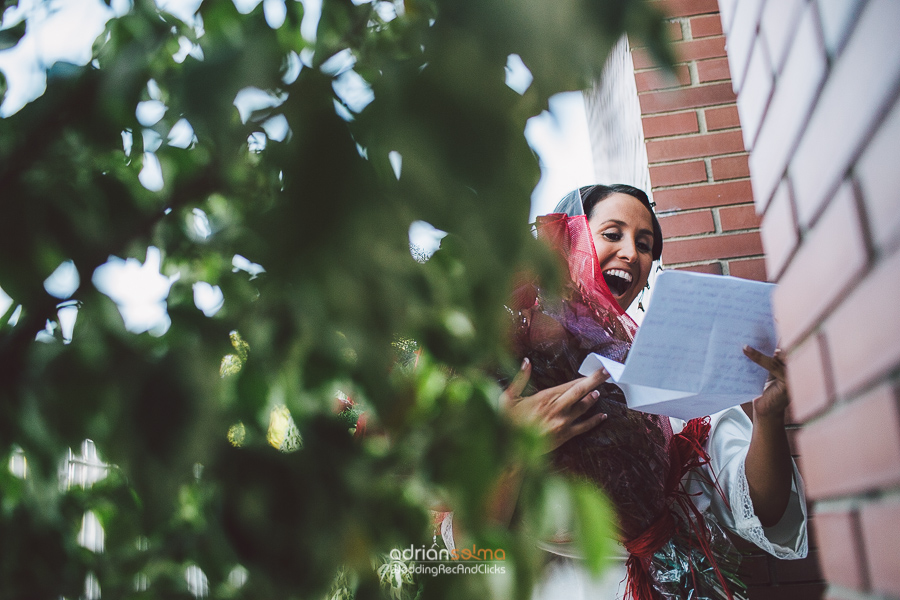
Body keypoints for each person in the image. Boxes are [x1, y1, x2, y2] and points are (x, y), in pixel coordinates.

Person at [441, 184, 808, 599]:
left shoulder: (676, 371)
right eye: (612, 234)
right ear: (566, 243)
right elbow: (470, 553)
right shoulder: (507, 375)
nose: (632, 253)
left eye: (645, 243)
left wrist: (769, 416)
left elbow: (764, 509)